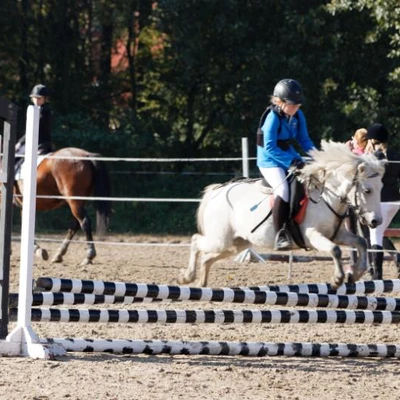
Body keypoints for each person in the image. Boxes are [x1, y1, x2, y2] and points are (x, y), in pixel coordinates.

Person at [256, 78, 315, 250]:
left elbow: (304, 140)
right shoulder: (272, 118)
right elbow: (269, 147)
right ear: (279, 102)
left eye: (298, 104)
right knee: (283, 190)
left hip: (289, 155)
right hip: (269, 160)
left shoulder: (298, 115)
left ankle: (297, 224)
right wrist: (292, 162)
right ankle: (280, 234)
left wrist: (319, 156)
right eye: (292, 104)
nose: (296, 108)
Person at [364, 123, 400, 279]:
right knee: (380, 232)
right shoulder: (395, 155)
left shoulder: (373, 158)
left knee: (375, 237)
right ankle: (396, 259)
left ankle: (377, 276)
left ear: (372, 140)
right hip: (395, 202)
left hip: (380, 201)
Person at [15, 83, 55, 173]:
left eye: (39, 98)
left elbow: (32, 130)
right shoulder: (37, 109)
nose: (36, 101)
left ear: (45, 99)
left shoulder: (44, 111)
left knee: (13, 155)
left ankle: (10, 181)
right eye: (35, 98)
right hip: (41, 142)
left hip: (39, 143)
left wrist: (20, 143)